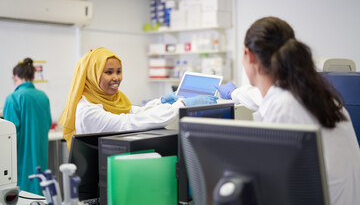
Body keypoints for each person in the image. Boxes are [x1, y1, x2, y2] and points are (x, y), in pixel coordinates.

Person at [215, 17, 360, 205]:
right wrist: (235, 93)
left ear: (249, 55)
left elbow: (273, 191)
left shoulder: (283, 107)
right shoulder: (320, 98)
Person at [59, 47, 218, 150]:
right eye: (108, 72)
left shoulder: (113, 100)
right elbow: (128, 123)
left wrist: (161, 102)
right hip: (96, 180)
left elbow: (137, 112)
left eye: (118, 71)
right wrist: (180, 105)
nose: (116, 78)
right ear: (92, 76)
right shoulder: (88, 111)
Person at [3, 58, 52, 195]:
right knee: (39, 190)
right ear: (32, 76)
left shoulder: (13, 98)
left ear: (15, 77)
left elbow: (9, 136)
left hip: (21, 159)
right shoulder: (43, 97)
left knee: (23, 193)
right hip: (40, 153)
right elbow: (47, 123)